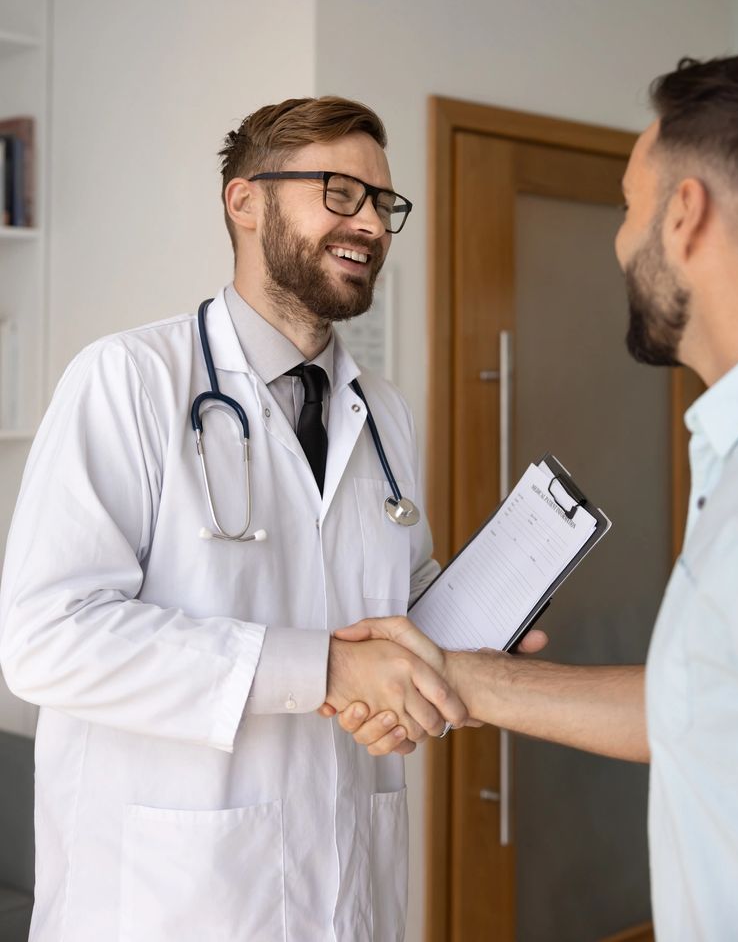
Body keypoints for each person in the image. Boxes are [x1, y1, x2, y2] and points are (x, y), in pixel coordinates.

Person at [330, 51, 738, 941]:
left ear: (687, 213)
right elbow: (701, 705)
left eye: (630, 208)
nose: (622, 241)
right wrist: (459, 675)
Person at [0, 96, 466, 942]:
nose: (370, 222)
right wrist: (320, 669)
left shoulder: (383, 411)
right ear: (244, 201)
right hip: (168, 901)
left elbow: (395, 591)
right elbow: (46, 637)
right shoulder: (129, 381)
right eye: (339, 191)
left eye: (382, 203)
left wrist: (477, 625)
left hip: (349, 893)